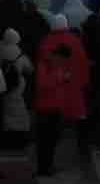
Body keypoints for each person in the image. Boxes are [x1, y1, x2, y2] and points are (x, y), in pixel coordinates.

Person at [36, 14, 91, 174]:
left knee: (49, 134)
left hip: (49, 97)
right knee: (73, 121)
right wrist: (83, 82)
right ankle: (80, 150)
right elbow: (83, 63)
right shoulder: (75, 41)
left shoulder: (45, 42)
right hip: (71, 87)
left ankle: (47, 164)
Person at [0, 27, 34, 150]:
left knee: (6, 111)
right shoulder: (20, 53)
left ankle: (7, 138)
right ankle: (20, 139)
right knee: (19, 111)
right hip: (17, 85)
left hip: (2, 84)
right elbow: (29, 69)